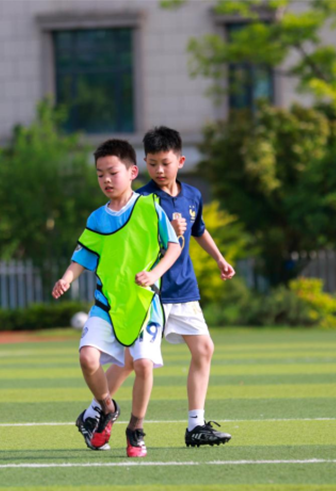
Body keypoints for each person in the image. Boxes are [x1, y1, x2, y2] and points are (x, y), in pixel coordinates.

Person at [97, 126, 234, 448]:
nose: (159, 170)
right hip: (151, 293)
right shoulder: (141, 200)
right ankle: (95, 411)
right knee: (129, 361)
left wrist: (219, 258)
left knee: (204, 349)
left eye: (165, 163)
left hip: (184, 289)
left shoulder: (193, 195)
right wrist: (167, 232)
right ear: (144, 163)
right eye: (153, 163)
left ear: (180, 161)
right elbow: (132, 246)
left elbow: (199, 230)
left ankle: (196, 426)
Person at [53, 139, 181, 458]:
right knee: (87, 358)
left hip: (143, 305)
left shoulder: (150, 208)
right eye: (100, 174)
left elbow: (174, 245)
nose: (106, 180)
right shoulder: (97, 218)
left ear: (132, 172)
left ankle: (136, 429)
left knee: (143, 365)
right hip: (106, 305)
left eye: (112, 172)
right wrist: (66, 278)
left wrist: (154, 274)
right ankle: (107, 408)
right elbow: (82, 256)